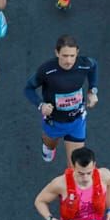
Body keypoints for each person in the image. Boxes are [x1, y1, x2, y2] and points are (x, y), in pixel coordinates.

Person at [24, 34, 98, 163]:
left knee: (75, 166)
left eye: (72, 56)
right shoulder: (46, 70)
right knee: (50, 144)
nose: (68, 61)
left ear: (77, 53)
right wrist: (41, 105)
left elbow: (94, 67)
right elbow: (28, 89)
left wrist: (93, 90)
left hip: (77, 121)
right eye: (64, 56)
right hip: (54, 121)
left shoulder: (85, 64)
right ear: (57, 53)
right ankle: (48, 147)